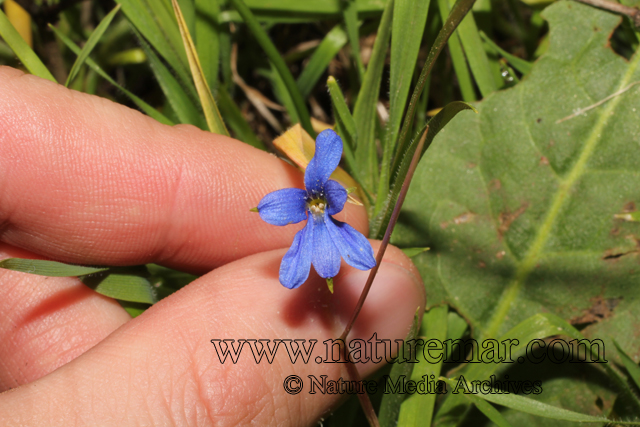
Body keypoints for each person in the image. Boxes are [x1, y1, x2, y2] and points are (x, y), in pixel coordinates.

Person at [0, 66, 424, 426]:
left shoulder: (322, 201)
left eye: (321, 200)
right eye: (315, 200)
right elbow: (295, 203)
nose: (317, 203)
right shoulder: (299, 203)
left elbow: (324, 177)